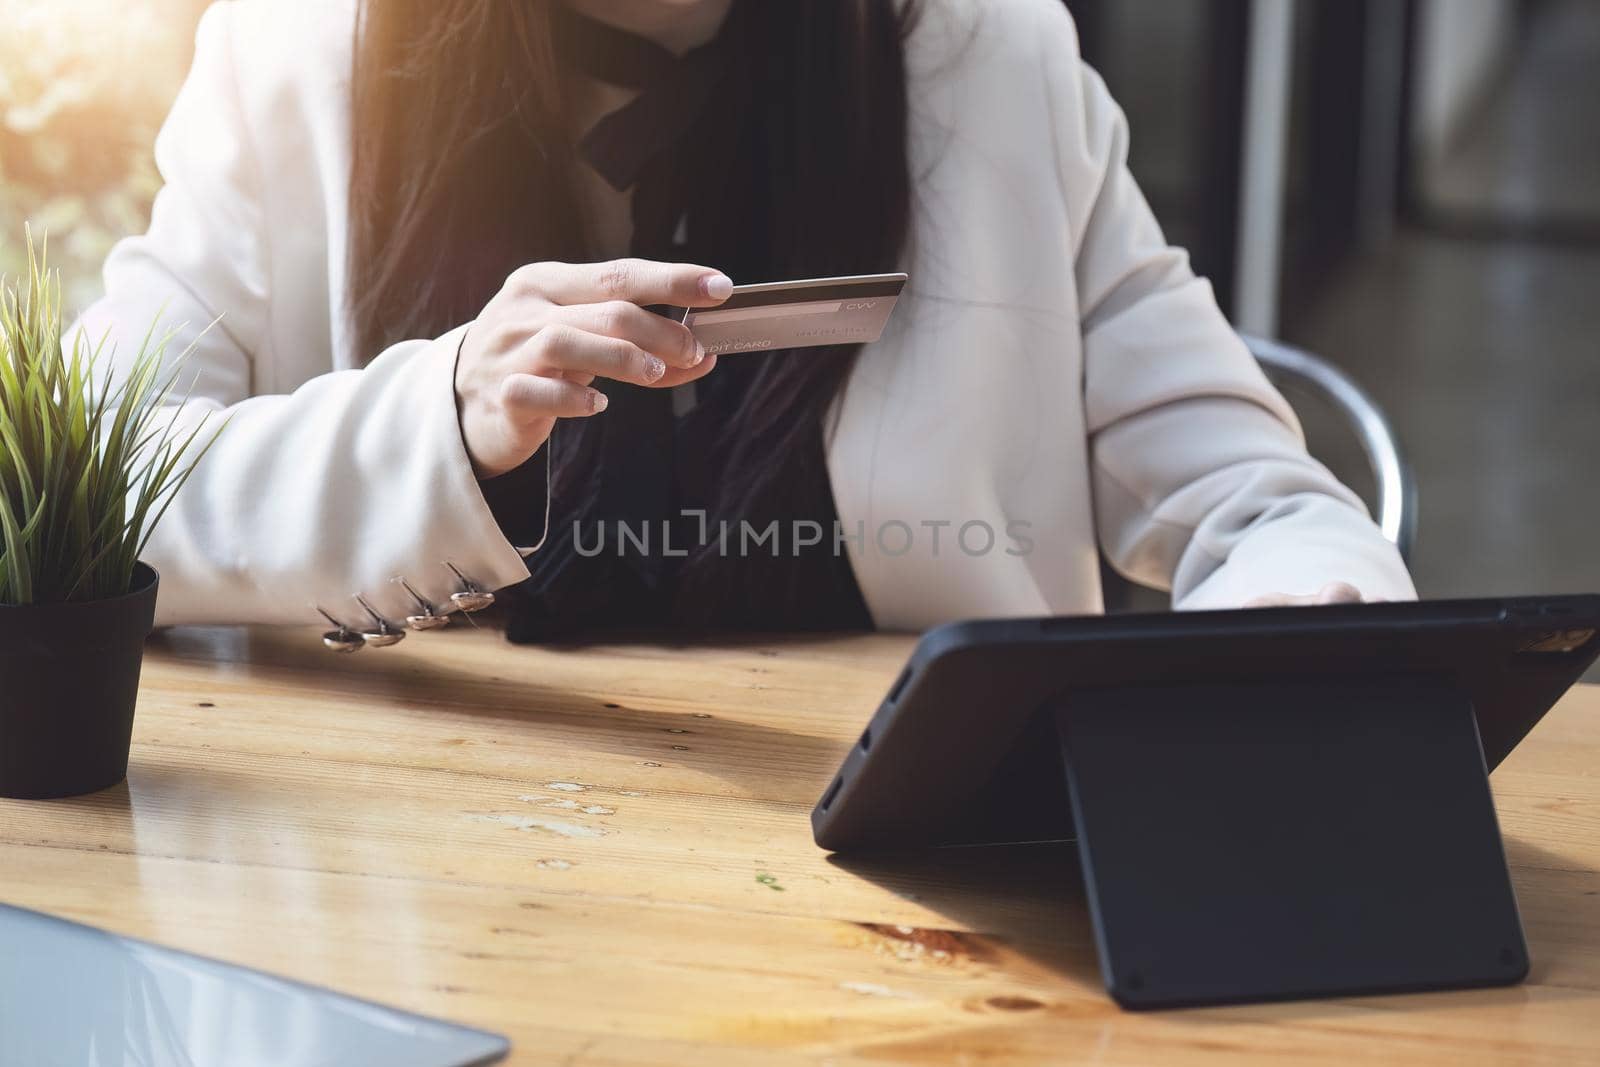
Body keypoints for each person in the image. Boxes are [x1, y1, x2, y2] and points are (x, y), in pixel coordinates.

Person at [71, 0, 1414, 647]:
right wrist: (441, 422)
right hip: (398, 892)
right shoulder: (302, 58)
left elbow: (1251, 499)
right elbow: (86, 487)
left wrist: (1309, 611)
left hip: (910, 928)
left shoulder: (986, 59)